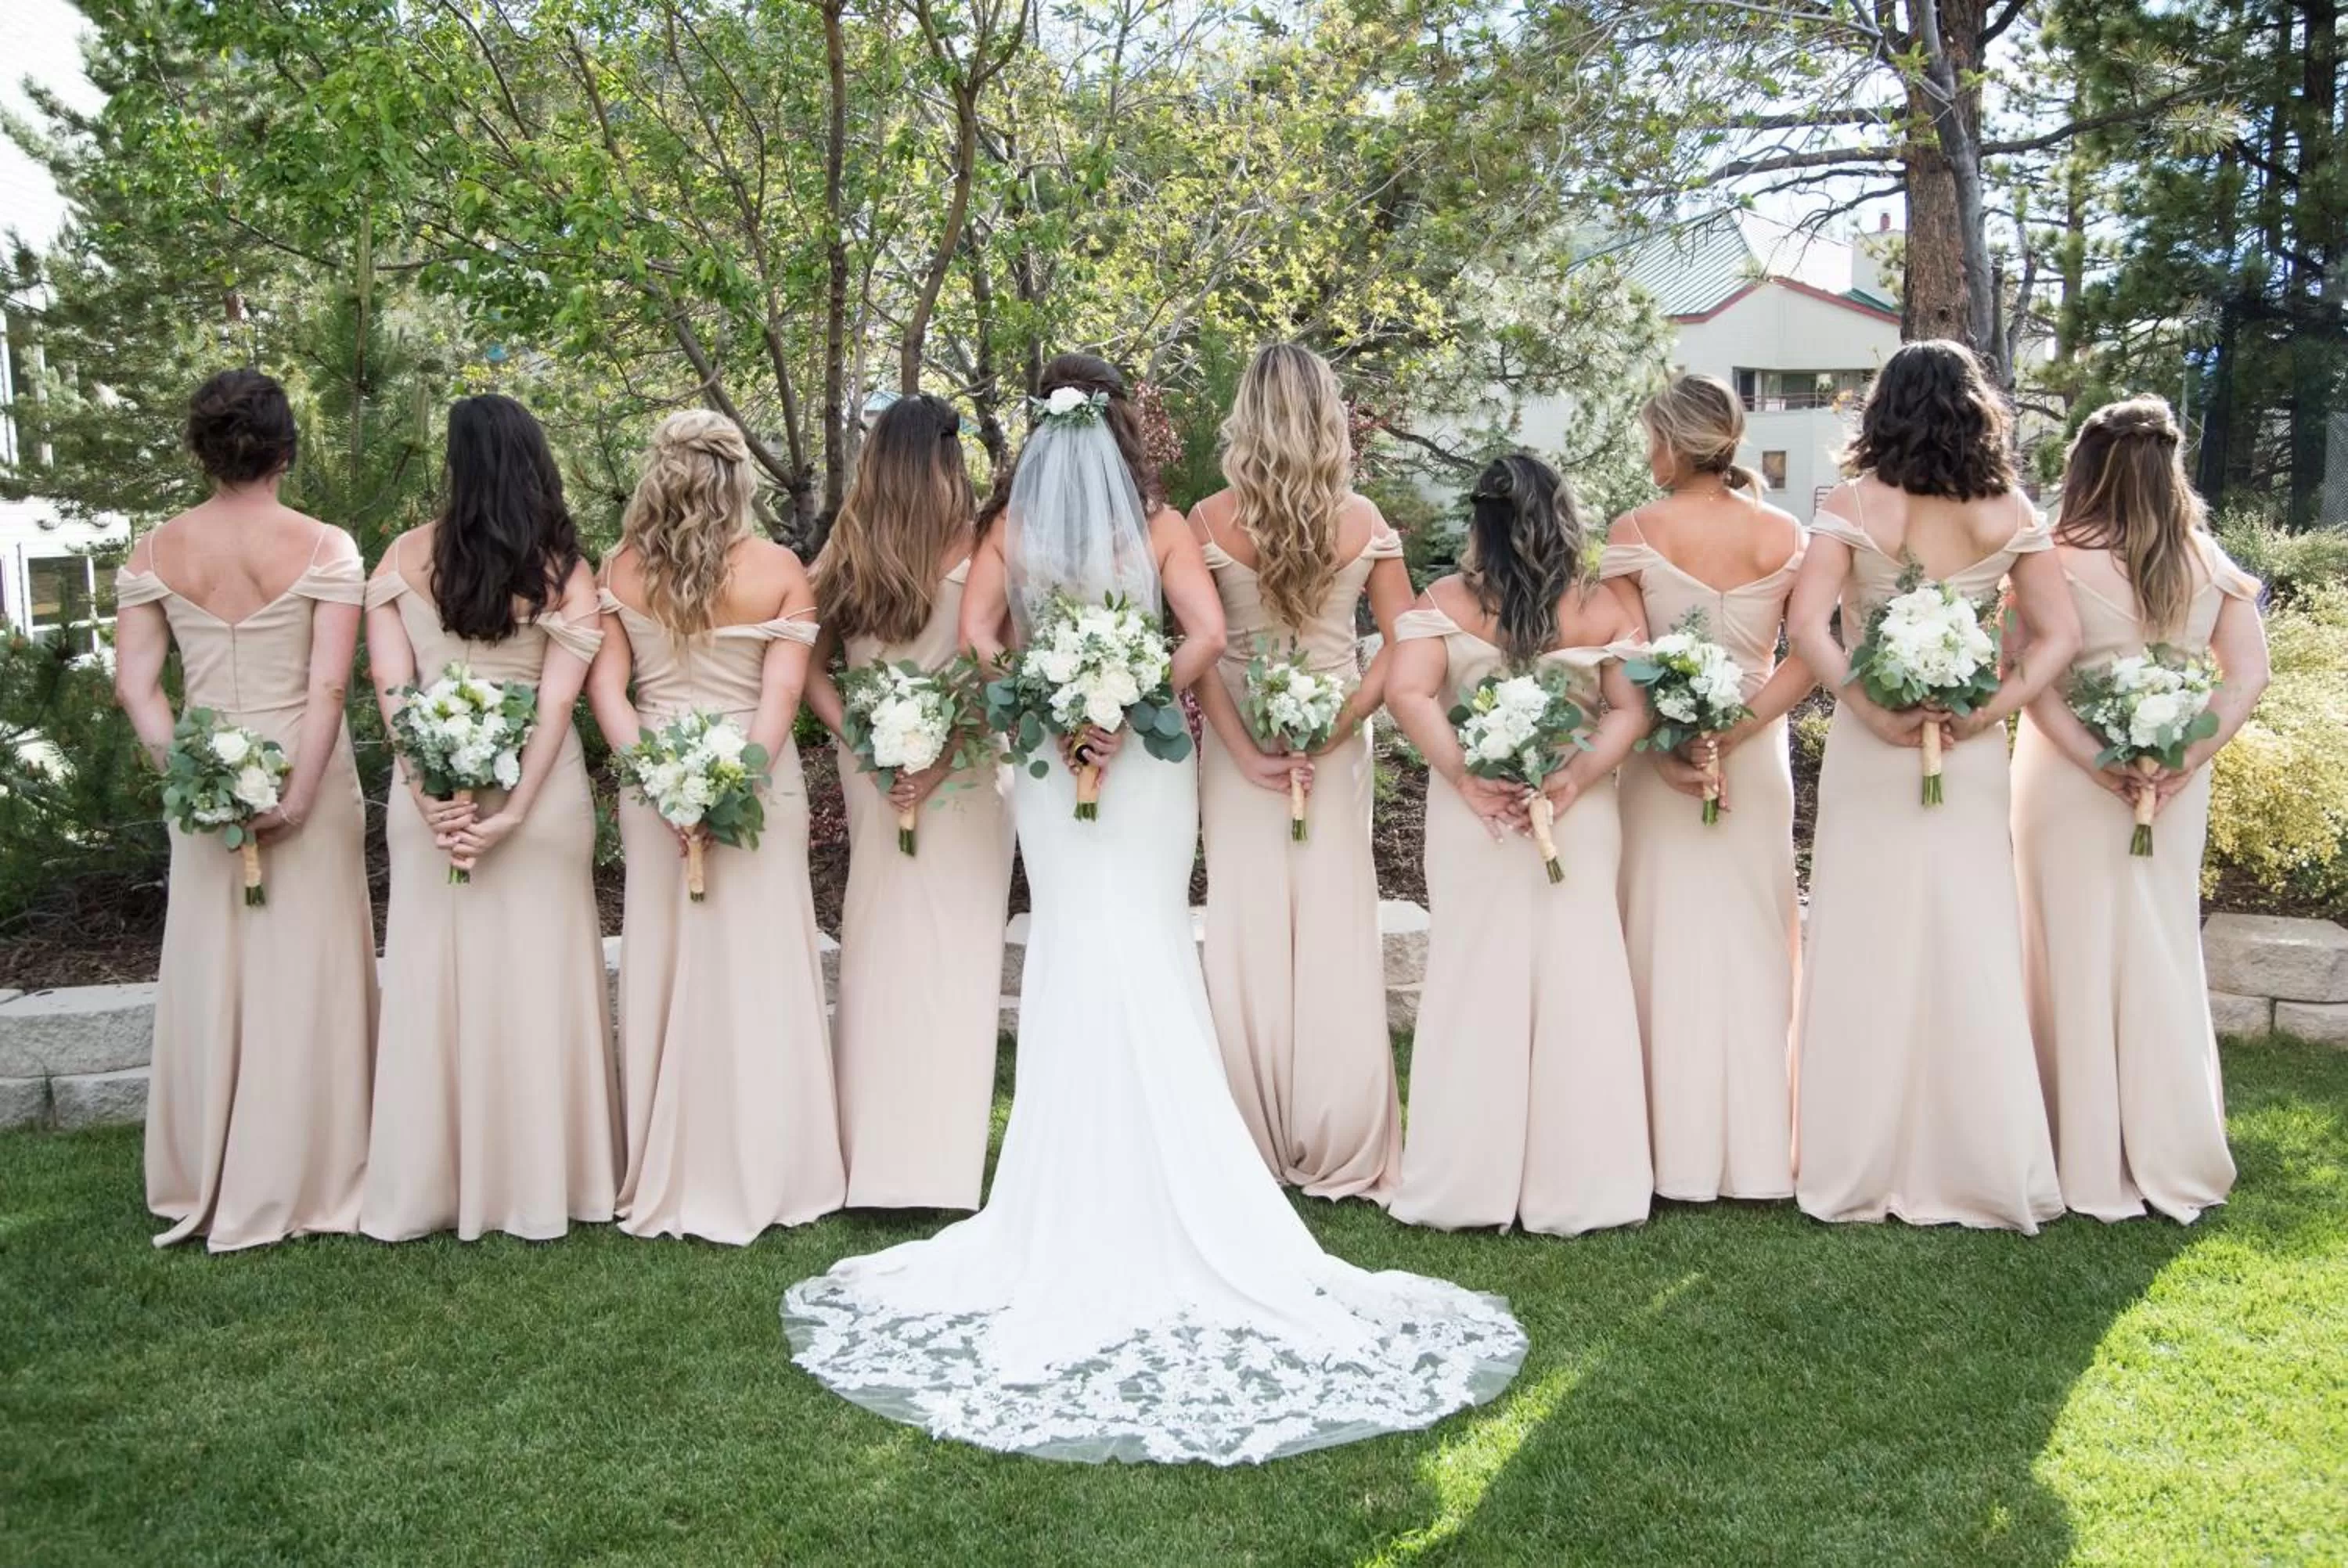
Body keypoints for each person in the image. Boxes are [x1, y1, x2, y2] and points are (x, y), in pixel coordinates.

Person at [782, 354, 1525, 1466]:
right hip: (1143, 766)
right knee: (1138, 942)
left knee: (1087, 947)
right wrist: (1130, 701)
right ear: (1123, 430)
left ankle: (1076, 1183)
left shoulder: (1007, 533)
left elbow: (983, 639)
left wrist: (1040, 693)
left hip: (1050, 759)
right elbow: (1208, 639)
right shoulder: (1163, 522)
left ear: (1038, 433)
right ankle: (1183, 1167)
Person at [1786, 340, 2080, 1233]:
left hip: (1877, 749)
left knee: (1866, 934)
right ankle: (1980, 1160)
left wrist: (1868, 710)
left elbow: (1807, 626)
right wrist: (1992, 712)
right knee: (1968, 933)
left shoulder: (1853, 505)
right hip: (1968, 748)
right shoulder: (2008, 509)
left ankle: (1854, 1160)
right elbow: (2058, 636)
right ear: (1973, 411)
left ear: (1884, 410)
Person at [113, 368, 376, 1250]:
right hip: (306, 769)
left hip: (207, 788)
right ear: (287, 449)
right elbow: (329, 683)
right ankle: (317, 1169)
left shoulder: (155, 553)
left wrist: (189, 773)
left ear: (204, 449)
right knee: (313, 967)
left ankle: (208, 1165)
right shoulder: (324, 545)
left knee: (213, 963)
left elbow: (136, 686)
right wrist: (297, 792)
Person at [360, 394, 618, 1243]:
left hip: (431, 802)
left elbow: (396, 694)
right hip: (537, 805)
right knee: (540, 983)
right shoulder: (566, 572)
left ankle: (434, 1183)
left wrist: (429, 790)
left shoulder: (400, 560)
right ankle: (553, 1183)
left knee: (438, 984)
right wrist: (510, 815)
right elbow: (555, 708)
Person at [588, 411, 844, 1241]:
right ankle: (775, 1162)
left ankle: (674, 1162)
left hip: (654, 780)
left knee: (669, 959)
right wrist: (733, 786)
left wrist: (659, 784)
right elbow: (777, 701)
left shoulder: (621, 568)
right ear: (741, 479)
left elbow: (609, 697)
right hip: (754, 785)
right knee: (759, 963)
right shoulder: (780, 570)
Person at [1384, 451, 1654, 1237]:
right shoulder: (1601, 608)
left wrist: (1467, 778)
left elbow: (1407, 692)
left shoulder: (1444, 600)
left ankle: (1468, 1182)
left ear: (1481, 524)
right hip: (1577, 813)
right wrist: (1576, 778)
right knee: (1582, 981)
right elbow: (1628, 712)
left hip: (1481, 821)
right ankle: (1584, 1185)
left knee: (1476, 981)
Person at [2014, 395, 2268, 1222]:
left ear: (2084, 468)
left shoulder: (2050, 560)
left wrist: (2094, 761)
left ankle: (2071, 1148)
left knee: (2065, 948)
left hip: (2066, 780)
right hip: (2170, 791)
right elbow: (2247, 675)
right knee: (2157, 947)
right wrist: (2185, 760)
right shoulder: (2210, 564)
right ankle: (2168, 1141)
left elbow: (2029, 678)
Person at [1187, 343, 1411, 1200]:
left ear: (1246, 413)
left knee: (1243, 929)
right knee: (1330, 926)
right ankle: (1337, 1136)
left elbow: (1204, 651)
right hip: (1333, 751)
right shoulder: (1363, 519)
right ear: (1329, 417)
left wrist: (1241, 746)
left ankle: (1249, 1135)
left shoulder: (1207, 521)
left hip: (1238, 744)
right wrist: (1339, 726)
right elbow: (1405, 645)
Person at [1600, 373, 1810, 1203]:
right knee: (1755, 937)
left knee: (1660, 934)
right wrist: (1743, 727)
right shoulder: (1784, 532)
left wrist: (1667, 742)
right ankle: (1755, 1153)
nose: (1646, 452)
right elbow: (1806, 658)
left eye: (1652, 436)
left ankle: (1664, 1149)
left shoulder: (1636, 529)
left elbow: (1622, 658)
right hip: (1755, 757)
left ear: (1676, 443)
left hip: (1660, 763)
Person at [804, 394, 1013, 1211]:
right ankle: (924, 1165)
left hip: (912, 769)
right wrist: (886, 744)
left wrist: (862, 740)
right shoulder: (972, 548)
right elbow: (1002, 666)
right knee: (933, 953)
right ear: (942, 459)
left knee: (895, 946)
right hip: (941, 770)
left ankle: (893, 1160)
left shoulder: (845, 552)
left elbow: (814, 672)